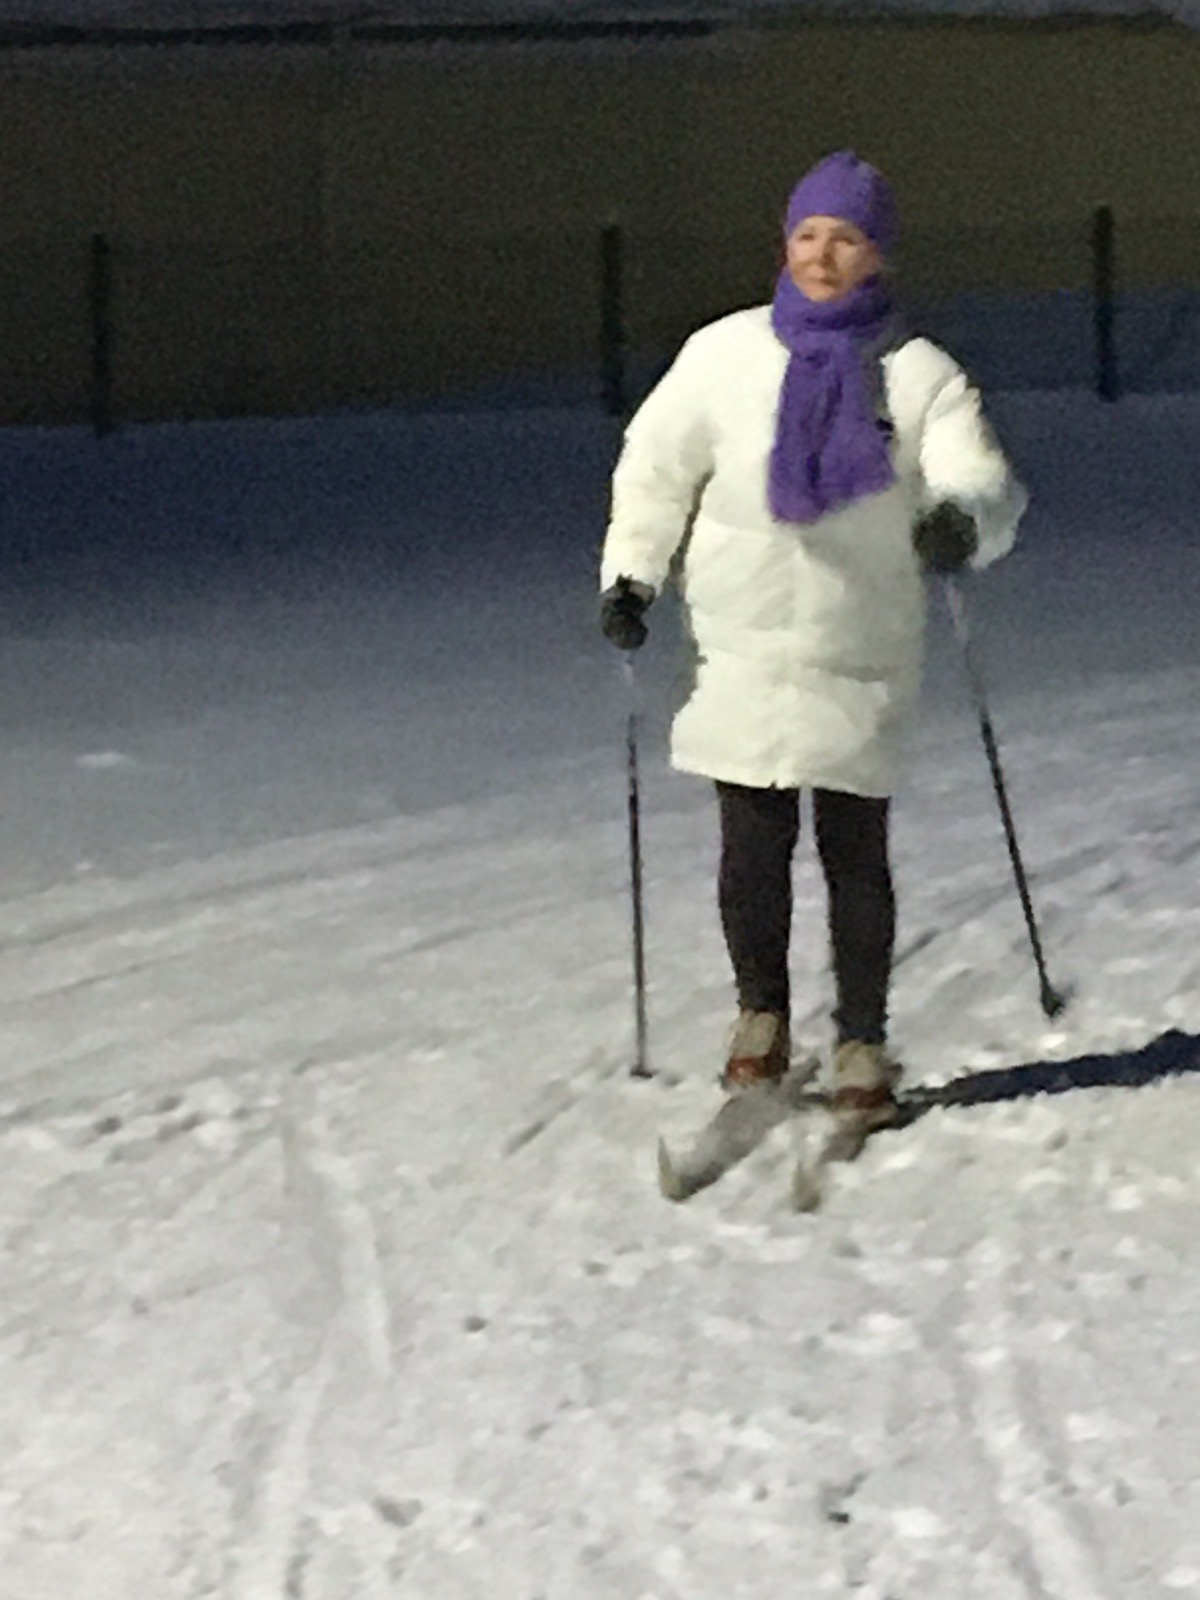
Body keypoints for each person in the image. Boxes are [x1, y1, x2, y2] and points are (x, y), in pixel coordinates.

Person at [598, 149, 1026, 1125]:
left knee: (853, 850)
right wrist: (631, 573)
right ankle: (761, 1017)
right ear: (785, 242)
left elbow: (981, 478)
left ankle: (861, 1039)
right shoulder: (723, 355)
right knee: (751, 848)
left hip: (859, 640)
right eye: (807, 234)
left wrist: (962, 521)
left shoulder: (917, 373)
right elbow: (655, 469)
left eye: (846, 239)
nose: (822, 256)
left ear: (879, 254)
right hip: (741, 637)